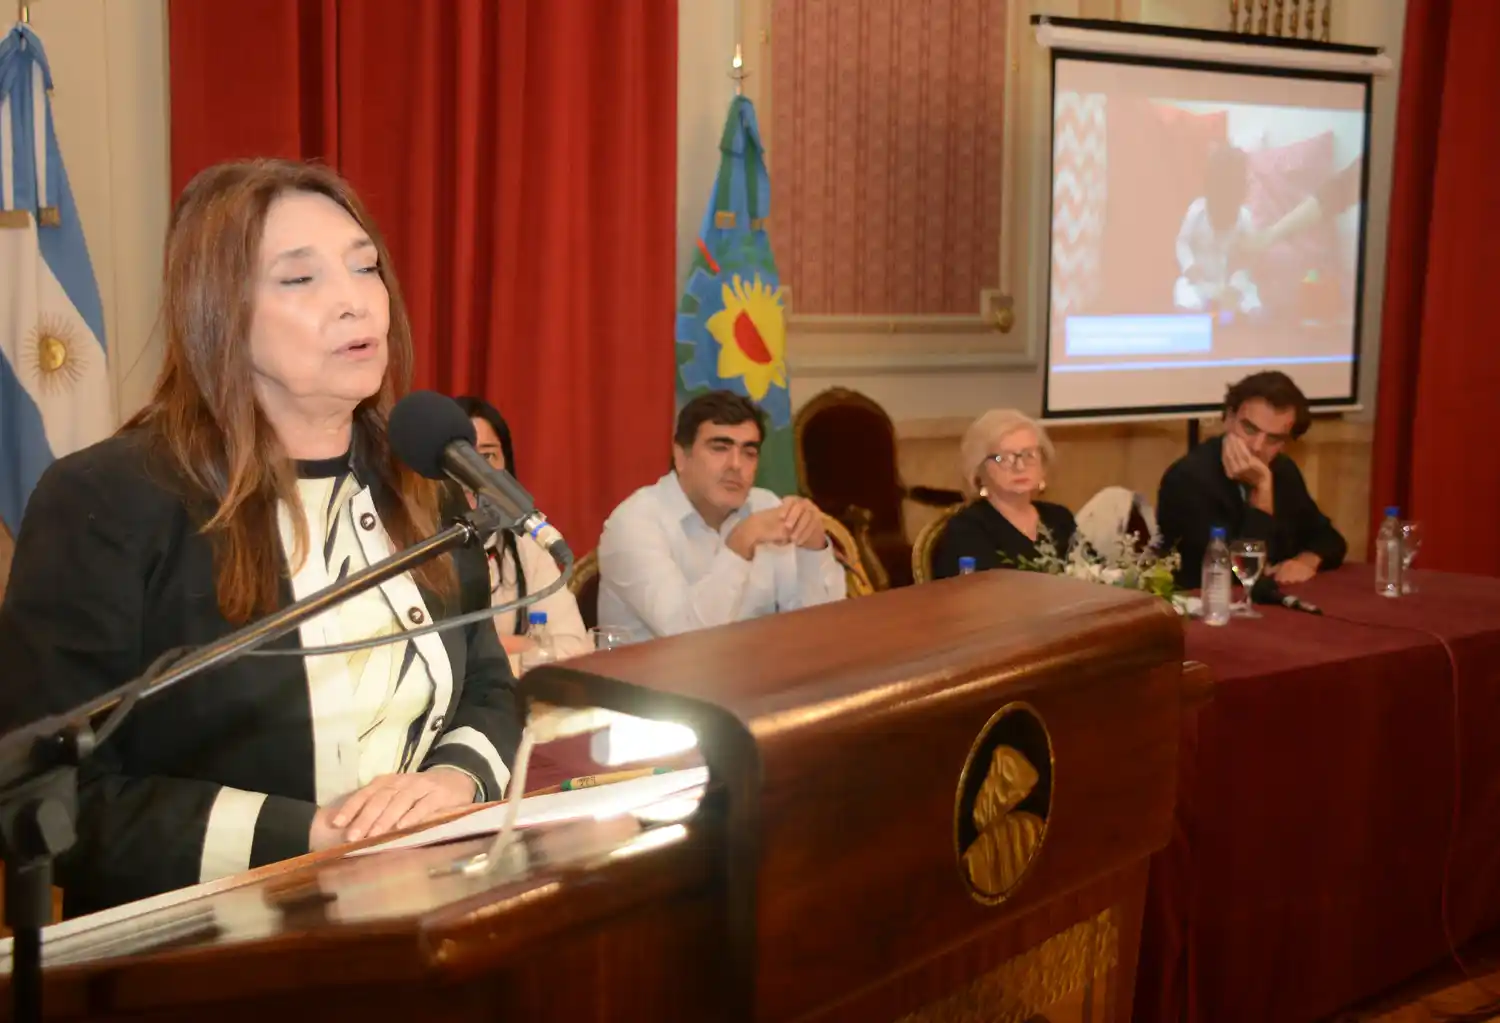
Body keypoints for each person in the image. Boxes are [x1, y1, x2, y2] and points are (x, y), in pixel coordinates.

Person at [0, 160, 521, 916]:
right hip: (203, 956)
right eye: (300, 280)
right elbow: (43, 792)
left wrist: (453, 781)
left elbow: (485, 680)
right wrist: (308, 836)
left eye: (365, 267)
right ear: (220, 311)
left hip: (430, 915)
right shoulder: (108, 501)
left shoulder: (426, 484)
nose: (354, 302)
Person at [597, 390, 844, 640]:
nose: (736, 465)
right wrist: (739, 545)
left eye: (749, 452)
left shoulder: (765, 505)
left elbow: (820, 627)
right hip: (653, 677)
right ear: (681, 456)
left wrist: (813, 548)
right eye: (720, 448)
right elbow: (685, 634)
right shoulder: (634, 523)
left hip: (758, 673)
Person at [1156, 371, 1346, 588]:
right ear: (1228, 419)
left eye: (1273, 439)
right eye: (1249, 428)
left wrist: (1306, 561)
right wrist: (1262, 492)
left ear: (1285, 444)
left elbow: (1331, 539)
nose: (1257, 447)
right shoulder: (1187, 479)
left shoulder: (1283, 470)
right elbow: (1237, 574)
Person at [452, 396, 588, 668]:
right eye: (461, 458)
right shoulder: (406, 542)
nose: (476, 473)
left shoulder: (526, 540)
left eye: (488, 455)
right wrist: (525, 646)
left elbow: (575, 648)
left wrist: (496, 647)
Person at [932, 410, 1076, 579]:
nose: (1020, 466)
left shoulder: (1059, 518)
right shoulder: (966, 529)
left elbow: (1094, 577)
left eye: (1029, 454)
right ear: (979, 469)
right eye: (1004, 458)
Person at [1174, 144, 1262, 316]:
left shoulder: (1244, 218)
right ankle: (1195, 309)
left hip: (1230, 287)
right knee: (1184, 290)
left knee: (1250, 295)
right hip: (1200, 282)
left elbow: (1250, 259)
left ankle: (1248, 312)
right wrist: (1189, 265)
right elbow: (1182, 242)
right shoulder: (1197, 212)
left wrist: (1237, 284)